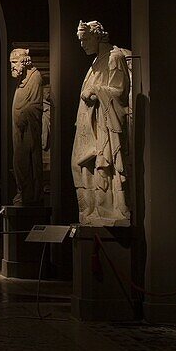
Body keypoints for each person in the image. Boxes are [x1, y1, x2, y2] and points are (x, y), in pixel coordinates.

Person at [71, 21, 131, 226]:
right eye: (80, 41)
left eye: (85, 39)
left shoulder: (114, 57)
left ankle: (105, 209)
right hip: (89, 126)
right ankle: (90, 210)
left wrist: (96, 91)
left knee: (101, 168)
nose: (82, 44)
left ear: (97, 36)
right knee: (79, 166)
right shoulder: (97, 61)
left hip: (103, 127)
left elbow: (120, 91)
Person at [10, 47, 44, 206]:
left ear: (23, 61)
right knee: (18, 161)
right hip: (18, 130)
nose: (12, 66)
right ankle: (22, 192)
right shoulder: (20, 81)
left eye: (14, 62)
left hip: (28, 130)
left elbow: (36, 105)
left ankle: (29, 194)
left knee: (27, 161)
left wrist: (25, 114)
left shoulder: (35, 77)